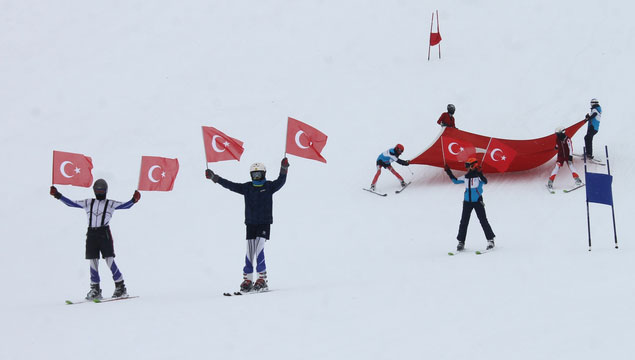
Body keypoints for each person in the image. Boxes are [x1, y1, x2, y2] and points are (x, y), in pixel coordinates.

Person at [205, 158, 289, 293]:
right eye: (254, 175)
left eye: (259, 174)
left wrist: (284, 169)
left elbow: (281, 181)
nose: (256, 177)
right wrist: (215, 177)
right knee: (250, 251)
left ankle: (262, 278)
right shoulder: (247, 188)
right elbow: (230, 185)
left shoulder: (268, 187)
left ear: (264, 174)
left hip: (264, 222)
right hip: (250, 223)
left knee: (259, 248)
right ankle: (248, 279)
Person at [50, 179, 140, 300]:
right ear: (94, 191)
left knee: (109, 259)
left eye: (102, 190)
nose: (100, 192)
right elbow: (72, 203)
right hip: (91, 233)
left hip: (104, 233)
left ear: (106, 191)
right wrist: (57, 195)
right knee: (93, 260)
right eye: (97, 190)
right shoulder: (88, 202)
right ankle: (95, 288)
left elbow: (125, 206)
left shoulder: (110, 204)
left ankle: (120, 286)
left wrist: (134, 200)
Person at [444, 158, 496, 251]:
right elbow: (455, 181)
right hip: (467, 202)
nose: (466, 168)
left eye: (468, 166)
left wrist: (480, 173)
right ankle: (461, 242)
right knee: (464, 221)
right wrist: (448, 171)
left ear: (473, 166)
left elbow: (485, 181)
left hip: (477, 202)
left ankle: (490, 240)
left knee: (483, 220)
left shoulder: (478, 176)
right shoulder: (466, 177)